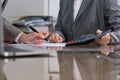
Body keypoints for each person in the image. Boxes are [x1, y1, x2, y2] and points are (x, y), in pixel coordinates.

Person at [49, 0, 120, 46]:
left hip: (96, 61)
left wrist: (110, 38)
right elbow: (59, 27)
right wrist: (57, 35)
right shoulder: (64, 1)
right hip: (68, 60)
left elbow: (118, 29)